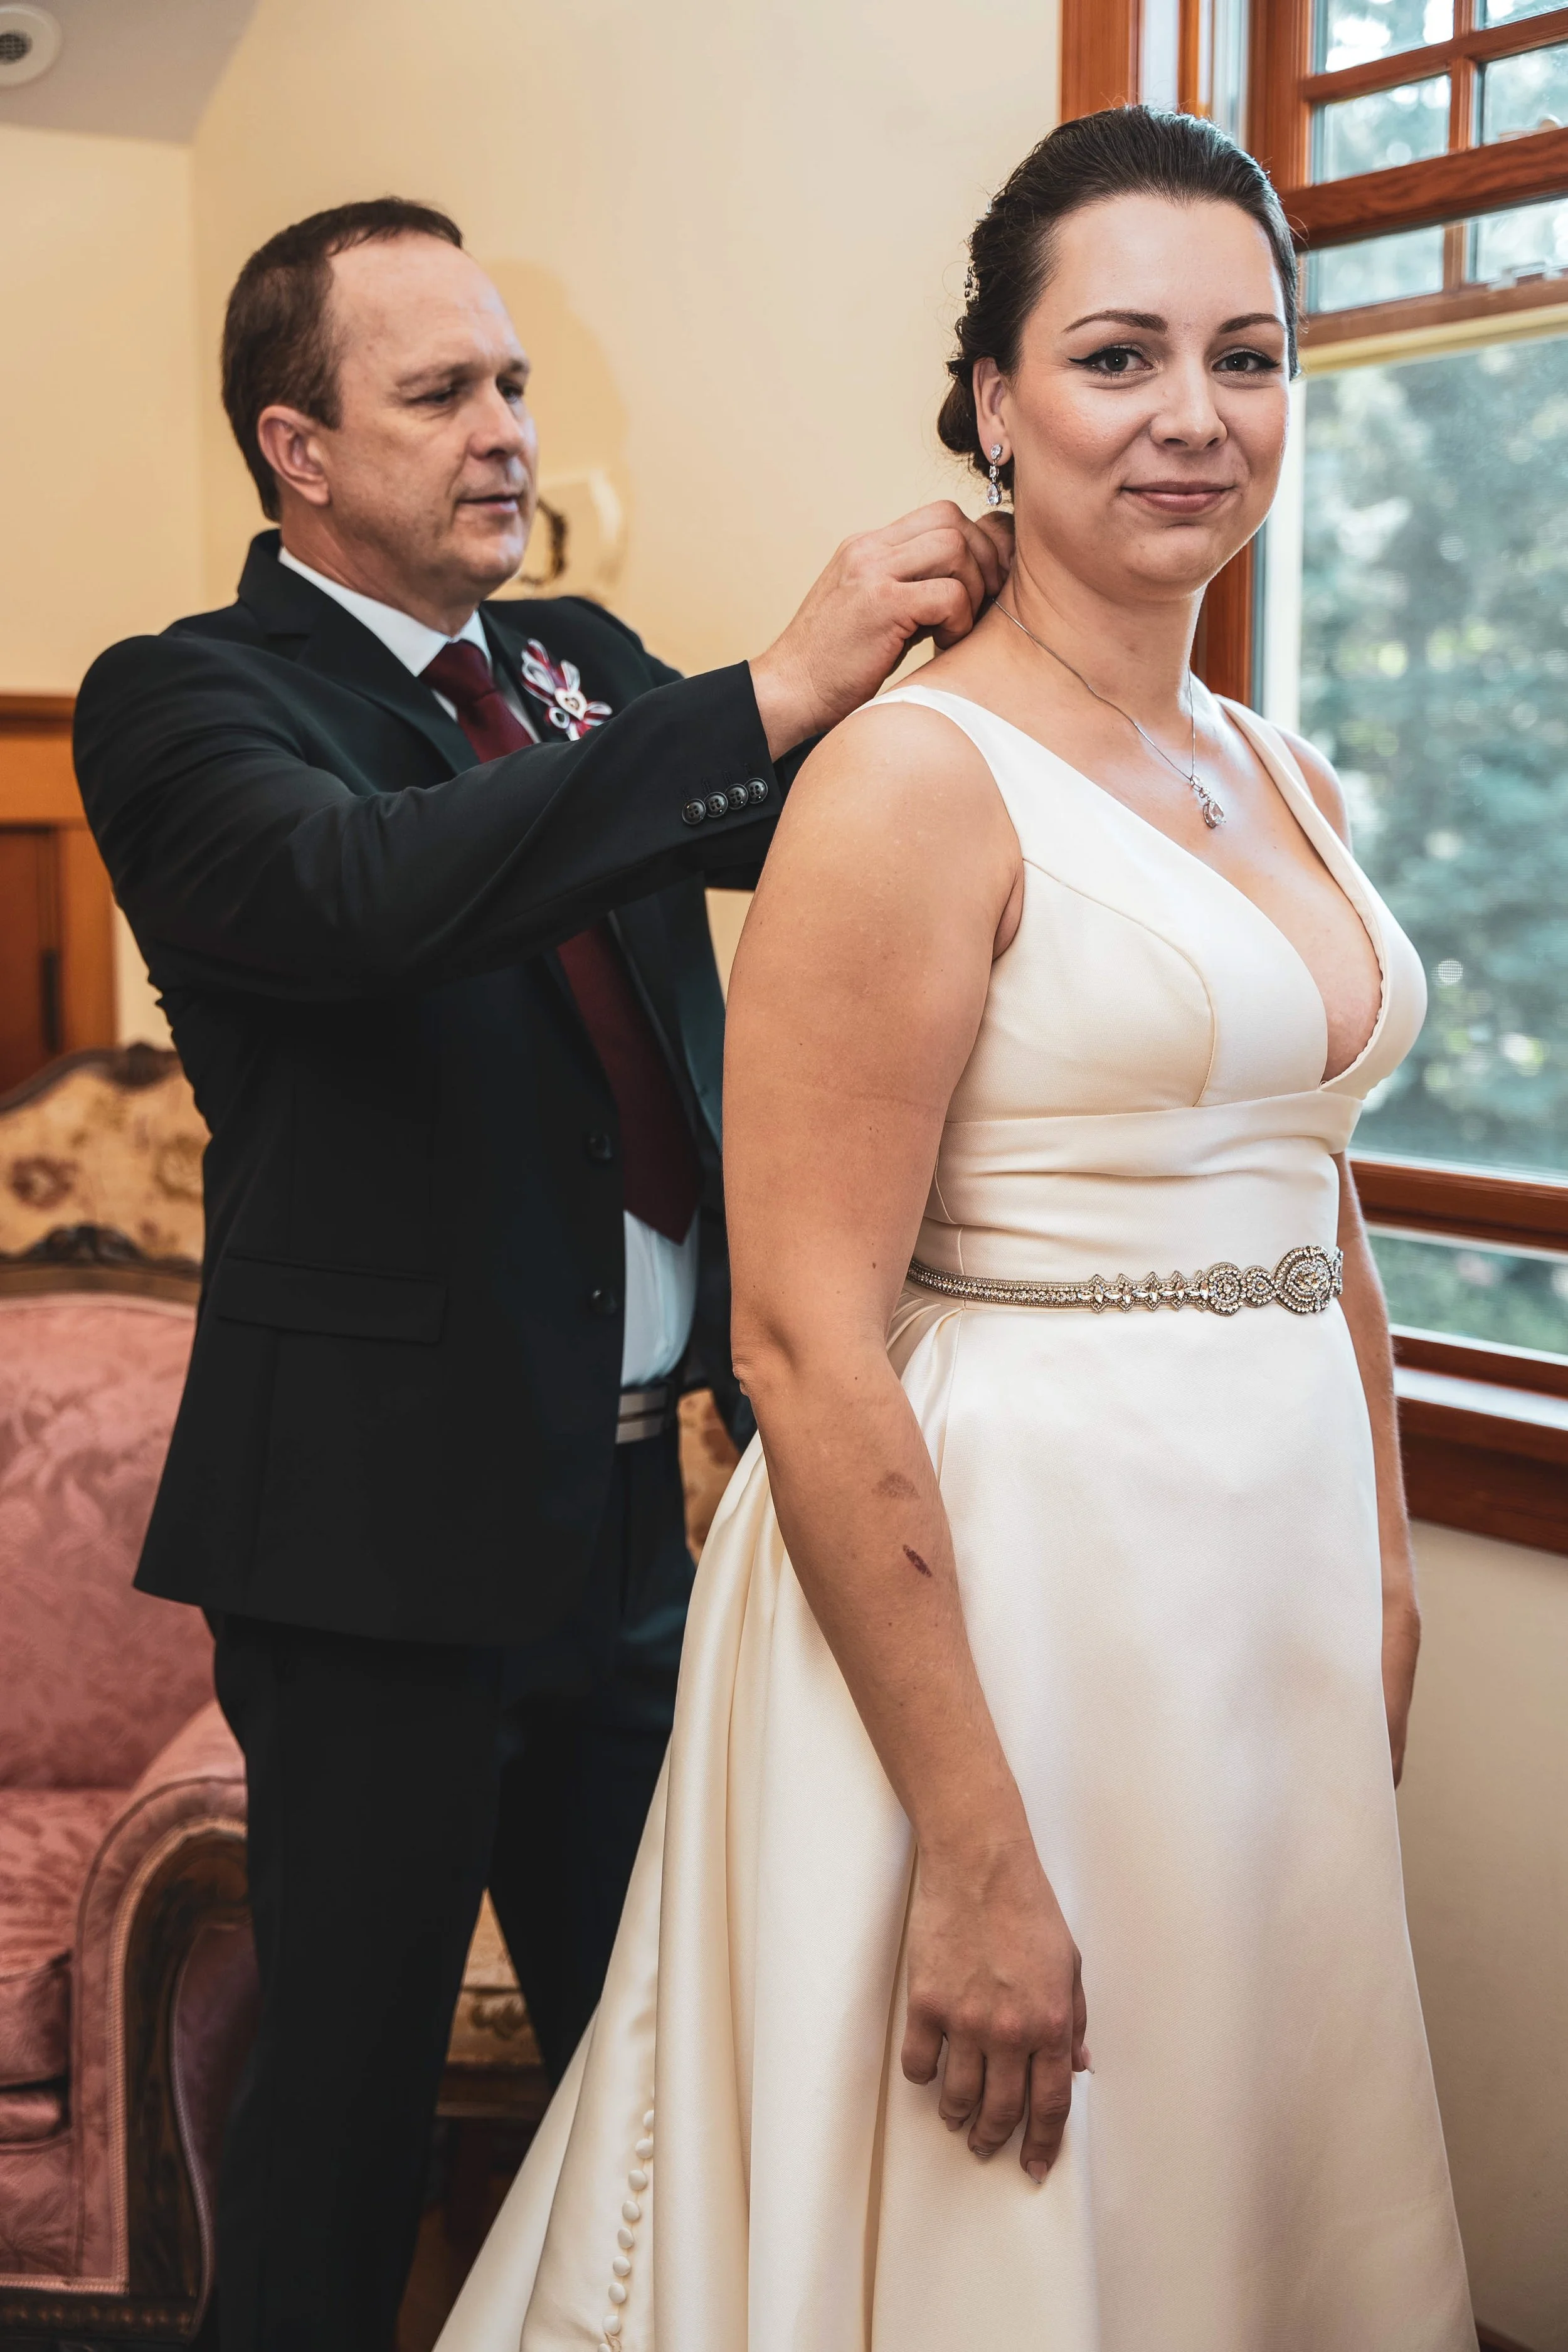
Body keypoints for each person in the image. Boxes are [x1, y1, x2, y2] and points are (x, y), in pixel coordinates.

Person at [438, 109, 1475, 2352]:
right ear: (994, 405)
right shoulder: (914, 781)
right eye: (1117, 357)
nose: (1193, 417)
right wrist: (974, 1844)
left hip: (1254, 1609)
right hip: (1002, 1617)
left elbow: (1311, 1189)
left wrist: (1375, 1572)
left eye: (1248, 355)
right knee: (1006, 2205)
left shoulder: (1274, 769)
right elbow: (805, 1339)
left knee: (1226, 2181)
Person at [72, 198, 1012, 2352]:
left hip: (632, 1525)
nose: (509, 428)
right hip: (373, 1546)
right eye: (443, 393)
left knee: (656, 2075)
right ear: (296, 450)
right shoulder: (184, 703)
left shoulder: (572, 659)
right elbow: (364, 896)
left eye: (510, 381)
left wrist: (1004, 617)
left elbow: (806, 821)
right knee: (347, 2122)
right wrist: (764, 686)